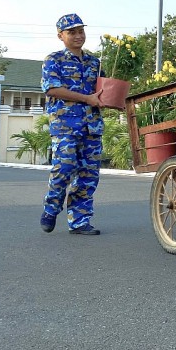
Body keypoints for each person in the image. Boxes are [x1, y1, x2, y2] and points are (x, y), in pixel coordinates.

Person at [39, 13, 106, 236]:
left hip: (92, 126)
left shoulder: (94, 63)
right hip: (65, 125)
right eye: (72, 32)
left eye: (81, 31)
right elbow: (52, 89)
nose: (78, 36)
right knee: (64, 168)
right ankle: (51, 207)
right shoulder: (54, 60)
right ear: (60, 35)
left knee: (88, 175)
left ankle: (79, 222)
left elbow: (102, 90)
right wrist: (87, 99)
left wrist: (113, 100)